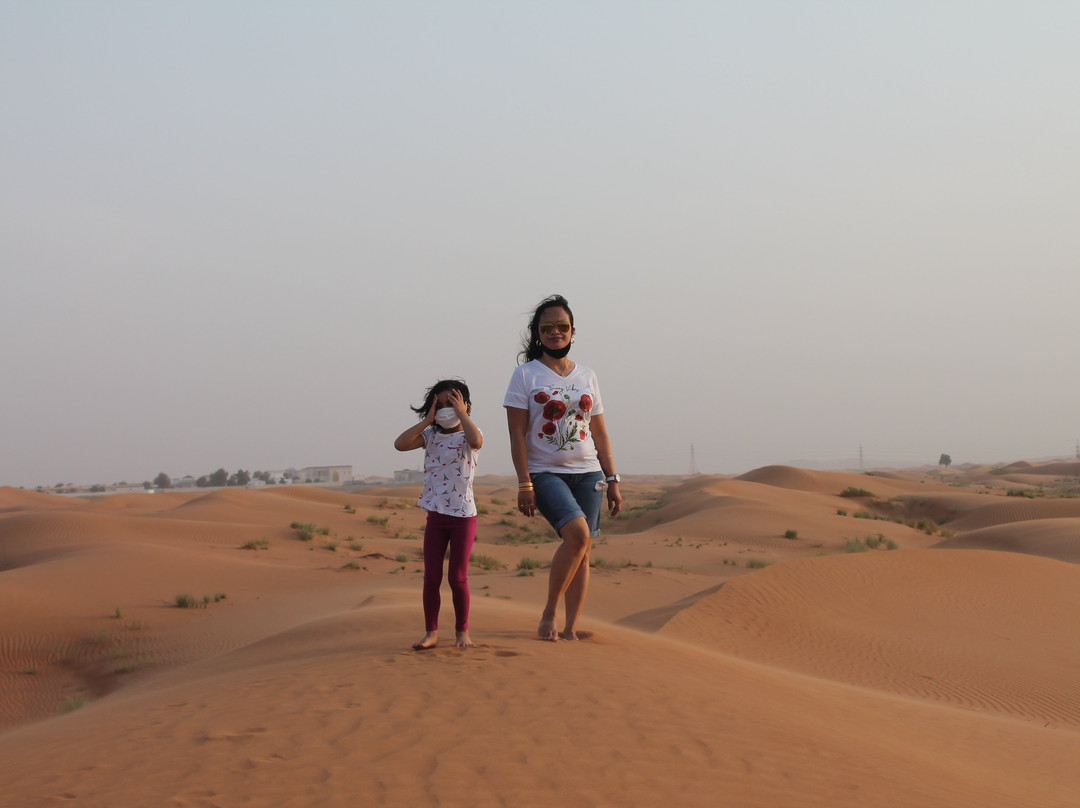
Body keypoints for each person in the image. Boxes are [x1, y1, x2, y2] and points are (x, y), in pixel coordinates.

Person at [503, 294, 622, 641]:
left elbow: (598, 430)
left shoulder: (587, 375)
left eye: (562, 326)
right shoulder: (525, 375)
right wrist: (524, 483)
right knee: (578, 536)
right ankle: (548, 615)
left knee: (583, 552)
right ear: (537, 333)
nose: (556, 332)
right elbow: (516, 433)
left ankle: (570, 629)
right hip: (545, 472)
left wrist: (612, 478)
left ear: (572, 331)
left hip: (589, 473)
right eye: (547, 328)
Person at [394, 379, 483, 650]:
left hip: (463, 516)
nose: (446, 409)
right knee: (431, 577)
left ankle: (462, 632)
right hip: (435, 514)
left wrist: (462, 413)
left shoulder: (471, 433)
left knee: (457, 577)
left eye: (452, 403)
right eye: (440, 404)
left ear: (465, 404)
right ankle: (431, 632)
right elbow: (400, 444)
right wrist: (428, 419)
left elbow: (476, 440)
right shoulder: (430, 436)